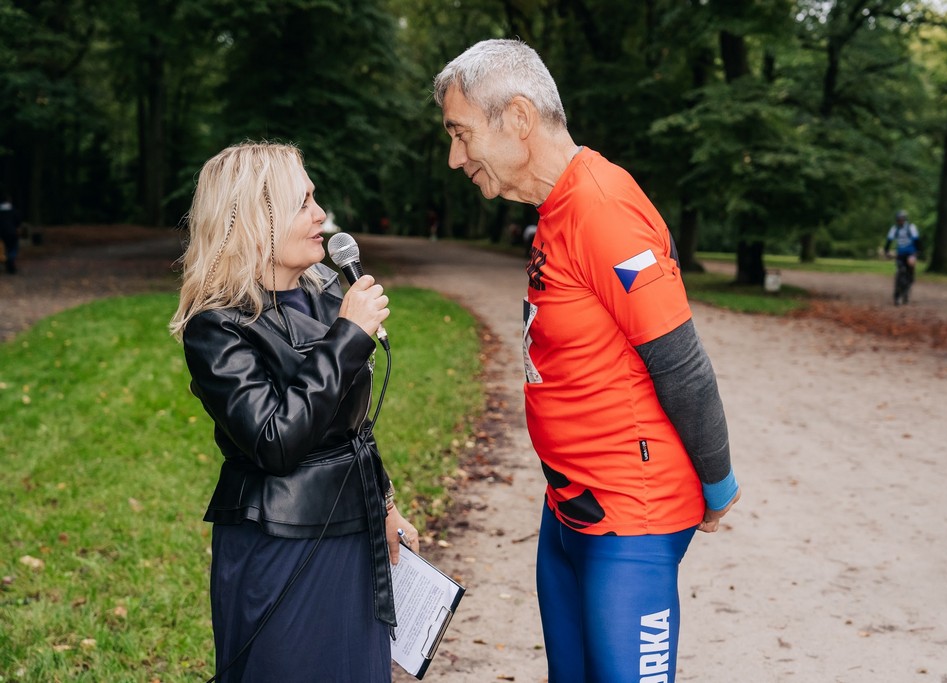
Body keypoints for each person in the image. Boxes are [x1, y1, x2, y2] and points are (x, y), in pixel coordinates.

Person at [433, 39, 740, 683]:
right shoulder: (555, 207)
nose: (455, 157)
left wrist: (718, 484)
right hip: (570, 507)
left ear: (518, 118)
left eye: (461, 134)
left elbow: (681, 364)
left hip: (631, 521)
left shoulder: (603, 208)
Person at [168, 142, 419, 682]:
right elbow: (274, 442)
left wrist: (386, 504)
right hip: (280, 544)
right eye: (302, 202)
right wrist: (348, 337)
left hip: (355, 532)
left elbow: (355, 428)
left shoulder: (327, 297)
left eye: (314, 198)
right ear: (254, 219)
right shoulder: (217, 327)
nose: (320, 214)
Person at [884, 209, 921, 305]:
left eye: (902, 219)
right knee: (900, 271)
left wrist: (917, 252)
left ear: (905, 219)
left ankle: (907, 290)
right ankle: (897, 295)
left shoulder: (911, 227)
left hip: (911, 253)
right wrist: (886, 251)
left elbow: (917, 240)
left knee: (910, 271)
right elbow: (889, 240)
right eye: (899, 219)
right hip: (900, 254)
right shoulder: (894, 229)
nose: (900, 221)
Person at [0, 194, 22, 274]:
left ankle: (7, 260)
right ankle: (10, 261)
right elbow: (18, 221)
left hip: (2, 233)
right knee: (13, 248)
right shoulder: (13, 210)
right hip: (12, 232)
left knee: (4, 248)